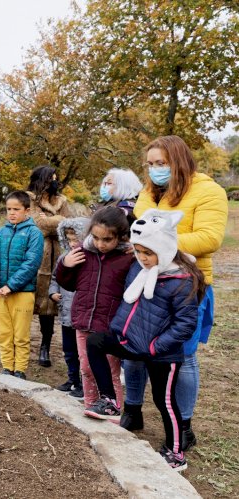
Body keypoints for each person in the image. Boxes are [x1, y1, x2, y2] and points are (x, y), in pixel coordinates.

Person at [121, 136, 227, 450]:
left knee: (184, 357)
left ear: (178, 161)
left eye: (161, 164)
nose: (155, 170)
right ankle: (132, 409)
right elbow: (137, 229)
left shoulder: (208, 191)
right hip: (145, 281)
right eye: (151, 164)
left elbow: (209, 238)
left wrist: (159, 242)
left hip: (185, 285)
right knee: (134, 349)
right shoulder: (148, 192)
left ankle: (184, 424)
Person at [85, 209, 205, 472]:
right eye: (138, 252)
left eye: (147, 253)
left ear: (164, 250)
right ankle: (109, 400)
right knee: (95, 342)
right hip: (131, 342)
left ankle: (175, 453)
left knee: (165, 402)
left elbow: (185, 324)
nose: (141, 258)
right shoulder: (138, 267)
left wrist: (155, 347)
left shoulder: (181, 280)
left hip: (161, 352)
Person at [55, 206, 134, 413]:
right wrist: (65, 264)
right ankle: (91, 407)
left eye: (107, 240)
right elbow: (68, 283)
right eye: (96, 238)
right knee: (87, 369)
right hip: (83, 322)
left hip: (108, 326)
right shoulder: (82, 252)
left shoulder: (127, 258)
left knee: (110, 372)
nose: (100, 244)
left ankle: (113, 411)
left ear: (121, 235)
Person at [0, 191, 44, 380]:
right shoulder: (1, 232)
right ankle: (6, 367)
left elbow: (31, 264)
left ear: (27, 210)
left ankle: (20, 370)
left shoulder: (34, 233)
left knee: (20, 335)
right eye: (9, 209)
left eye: (16, 209)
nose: (11, 213)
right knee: (3, 333)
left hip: (22, 293)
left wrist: (11, 286)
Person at [26, 166, 71, 367]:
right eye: (52, 177)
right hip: (34, 257)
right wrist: (58, 222)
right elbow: (38, 224)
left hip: (57, 257)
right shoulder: (27, 198)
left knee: (49, 306)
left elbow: (69, 227)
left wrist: (54, 224)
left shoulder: (62, 201)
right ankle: (18, 346)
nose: (55, 181)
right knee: (26, 302)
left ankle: (45, 346)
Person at [48, 217, 89, 398]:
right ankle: (72, 379)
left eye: (76, 239)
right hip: (66, 313)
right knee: (69, 350)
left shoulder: (89, 260)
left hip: (82, 315)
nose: (73, 243)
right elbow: (56, 278)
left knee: (83, 353)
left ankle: (84, 384)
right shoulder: (64, 258)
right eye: (70, 240)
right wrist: (52, 293)